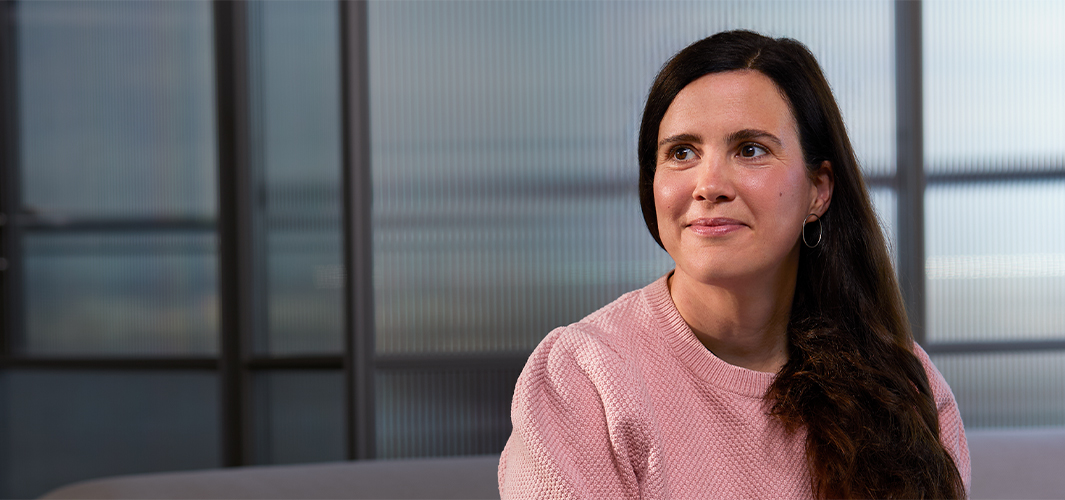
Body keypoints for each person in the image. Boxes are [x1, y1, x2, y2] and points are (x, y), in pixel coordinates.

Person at [497, 30, 970, 499]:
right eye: (682, 153)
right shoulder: (584, 378)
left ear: (818, 190)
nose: (709, 185)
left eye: (750, 150)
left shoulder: (901, 381)